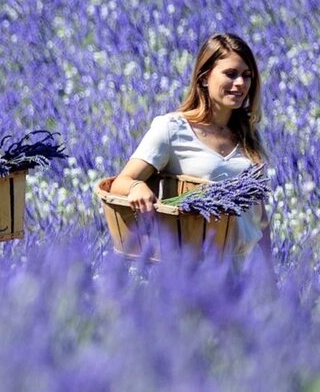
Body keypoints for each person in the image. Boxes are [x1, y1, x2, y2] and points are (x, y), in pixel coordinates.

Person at [109, 31, 271, 250]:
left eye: (247, 75)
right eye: (230, 74)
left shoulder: (248, 135)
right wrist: (137, 187)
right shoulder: (172, 128)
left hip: (245, 272)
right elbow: (121, 182)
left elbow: (259, 219)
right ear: (204, 78)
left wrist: (269, 276)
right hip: (195, 270)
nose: (240, 83)